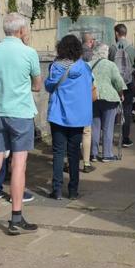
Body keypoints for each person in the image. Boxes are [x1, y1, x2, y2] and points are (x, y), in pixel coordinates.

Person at [0, 13, 41, 235]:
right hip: (21, 113)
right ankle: (16, 217)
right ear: (22, 30)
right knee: (19, 164)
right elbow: (37, 84)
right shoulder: (29, 53)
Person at [45, 34, 93, 200]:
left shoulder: (56, 66)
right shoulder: (85, 68)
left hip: (59, 115)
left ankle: (57, 189)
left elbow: (49, 85)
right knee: (74, 153)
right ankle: (73, 190)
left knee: (58, 152)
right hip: (78, 117)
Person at [89, 43, 125, 162]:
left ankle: (93, 153)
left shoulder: (88, 65)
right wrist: (121, 94)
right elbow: (118, 82)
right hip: (109, 98)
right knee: (108, 127)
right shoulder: (111, 65)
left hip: (93, 98)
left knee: (94, 126)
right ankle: (107, 154)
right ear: (105, 53)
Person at [109, 23, 135, 147]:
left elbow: (109, 64)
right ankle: (125, 138)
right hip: (128, 82)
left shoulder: (112, 48)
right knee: (127, 109)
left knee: (111, 109)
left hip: (115, 83)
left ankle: (108, 138)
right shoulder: (132, 48)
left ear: (116, 33)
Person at [78, 33, 96, 173]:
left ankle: (69, 160)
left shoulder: (74, 57)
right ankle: (86, 162)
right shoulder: (89, 56)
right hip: (84, 98)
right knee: (86, 131)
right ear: (89, 42)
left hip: (72, 100)